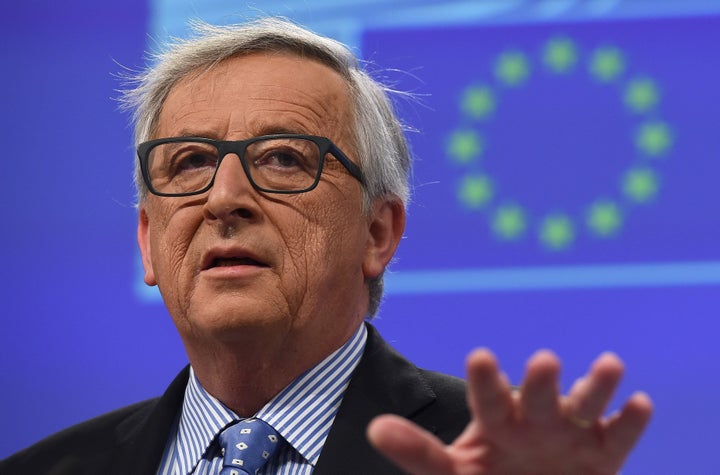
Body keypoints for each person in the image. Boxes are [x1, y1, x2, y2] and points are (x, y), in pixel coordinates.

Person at [0, 18, 652, 475]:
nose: (224, 197)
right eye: (190, 162)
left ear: (377, 233)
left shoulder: (493, 457)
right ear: (149, 241)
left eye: (284, 158)